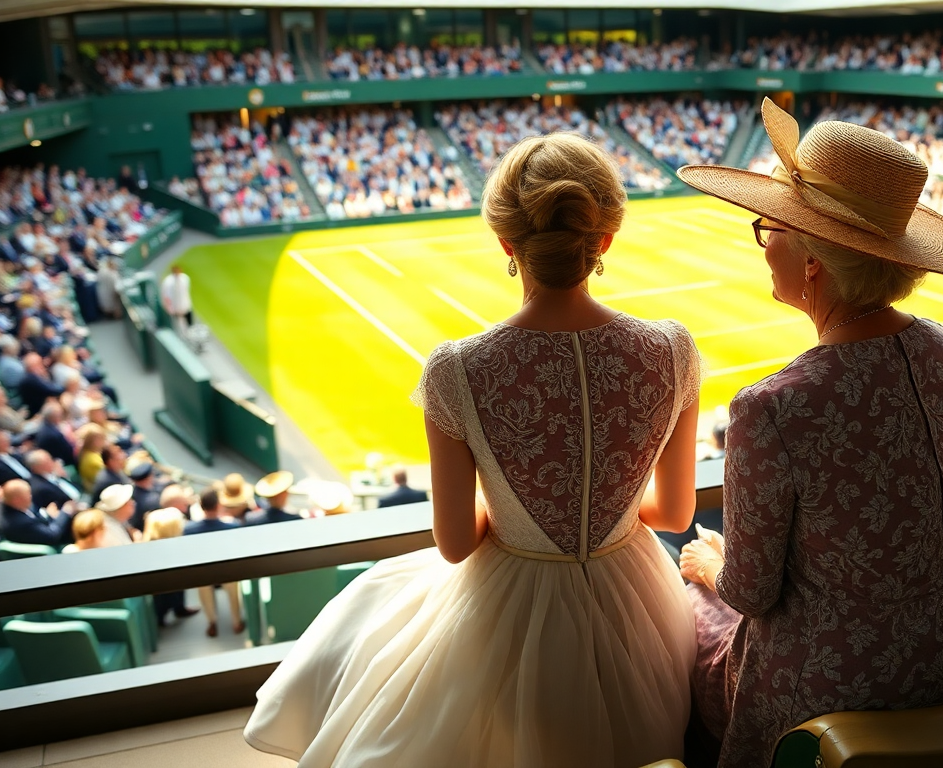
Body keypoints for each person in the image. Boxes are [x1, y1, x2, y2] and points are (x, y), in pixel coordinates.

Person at [245, 131, 702, 767]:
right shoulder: (673, 350)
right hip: (638, 598)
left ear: (506, 244)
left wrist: (524, 516)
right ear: (604, 240)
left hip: (508, 597)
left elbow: (456, 542)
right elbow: (677, 517)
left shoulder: (456, 369)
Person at [672, 99, 943, 768]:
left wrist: (709, 566)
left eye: (770, 230)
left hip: (835, 704)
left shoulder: (775, 406)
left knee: (680, 629)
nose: (765, 246)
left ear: (814, 262)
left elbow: (751, 591)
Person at [185, 488, 245, 637]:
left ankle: (212, 622)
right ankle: (236, 622)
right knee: (233, 592)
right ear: (218, 505)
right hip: (226, 570)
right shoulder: (232, 526)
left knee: (204, 590)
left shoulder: (189, 529)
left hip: (203, 571)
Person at [0, 479, 72, 548]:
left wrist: (47, 515)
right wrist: (65, 512)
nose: (31, 497)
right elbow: (53, 535)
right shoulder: (22, 523)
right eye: (28, 494)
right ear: (17, 500)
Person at [160, 263, 193, 340]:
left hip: (185, 305)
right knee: (177, 325)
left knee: (188, 324)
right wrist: (169, 308)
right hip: (174, 308)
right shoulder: (168, 282)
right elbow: (166, 296)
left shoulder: (185, 278)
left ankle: (188, 336)